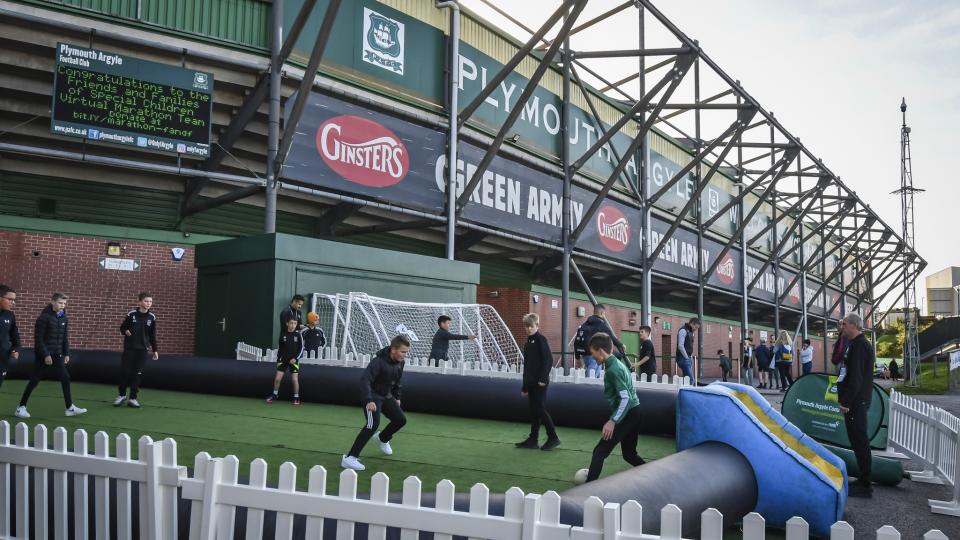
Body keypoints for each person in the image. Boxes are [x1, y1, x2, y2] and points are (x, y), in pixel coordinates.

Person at [342, 334, 410, 471]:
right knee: (372, 424)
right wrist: (369, 400)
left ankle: (382, 438)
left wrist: (397, 397)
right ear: (393, 349)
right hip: (372, 397)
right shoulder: (378, 362)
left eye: (406, 352)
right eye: (403, 352)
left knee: (400, 420)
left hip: (386, 395)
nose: (405, 355)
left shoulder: (400, 363)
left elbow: (397, 382)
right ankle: (350, 458)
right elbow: (365, 381)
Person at [583, 332, 646, 482]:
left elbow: (626, 398)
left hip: (628, 413)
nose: (592, 357)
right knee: (629, 455)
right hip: (635, 411)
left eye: (592, 353)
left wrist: (613, 421)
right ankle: (653, 474)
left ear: (600, 351)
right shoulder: (615, 362)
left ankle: (587, 487)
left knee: (599, 451)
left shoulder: (613, 370)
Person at [16, 293, 86, 418]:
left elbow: (65, 337)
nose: (63, 306)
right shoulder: (43, 318)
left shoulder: (63, 317)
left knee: (65, 377)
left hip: (57, 354)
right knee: (35, 380)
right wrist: (46, 355)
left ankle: (69, 408)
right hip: (43, 355)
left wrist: (66, 353)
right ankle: (21, 407)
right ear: (52, 302)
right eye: (60, 303)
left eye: (64, 304)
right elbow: (38, 339)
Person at [837, 313, 875, 498]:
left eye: (843, 324)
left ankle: (866, 483)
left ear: (853, 325)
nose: (841, 327)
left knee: (860, 440)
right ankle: (863, 479)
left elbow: (856, 378)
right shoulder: (854, 344)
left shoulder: (860, 346)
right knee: (856, 439)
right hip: (856, 400)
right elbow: (837, 360)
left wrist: (846, 401)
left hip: (856, 401)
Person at [515, 313, 560, 451]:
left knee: (540, 409)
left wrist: (542, 379)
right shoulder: (528, 343)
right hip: (531, 383)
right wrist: (525, 386)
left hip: (540, 383)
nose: (528, 329)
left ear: (537, 326)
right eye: (526, 326)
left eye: (531, 326)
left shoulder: (541, 339)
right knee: (534, 411)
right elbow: (528, 366)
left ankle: (553, 437)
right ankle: (533, 440)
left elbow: (548, 361)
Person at [114, 292, 159, 408]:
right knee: (124, 372)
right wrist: (126, 331)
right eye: (146, 301)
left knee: (137, 374)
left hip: (142, 350)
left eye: (150, 301)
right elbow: (122, 327)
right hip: (129, 349)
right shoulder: (131, 315)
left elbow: (152, 335)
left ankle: (133, 398)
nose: (148, 303)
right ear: (139, 302)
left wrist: (155, 350)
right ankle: (121, 395)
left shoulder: (152, 317)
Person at [574, 304, 625, 378]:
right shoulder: (600, 324)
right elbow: (611, 337)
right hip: (594, 353)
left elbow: (577, 341)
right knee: (592, 376)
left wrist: (577, 357)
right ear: (602, 313)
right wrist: (621, 344)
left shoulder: (584, 324)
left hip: (583, 354)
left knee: (590, 373)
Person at [266, 317, 304, 405]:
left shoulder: (298, 335)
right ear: (287, 324)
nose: (293, 325)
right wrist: (279, 359)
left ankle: (296, 397)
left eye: (295, 323)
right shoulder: (283, 334)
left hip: (294, 361)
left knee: (294, 379)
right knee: (277, 379)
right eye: (291, 323)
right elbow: (280, 348)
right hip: (283, 360)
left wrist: (295, 358)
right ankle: (275, 395)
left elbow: (301, 348)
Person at [0, 285, 21, 392]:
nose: (13, 303)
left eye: (14, 300)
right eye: (10, 299)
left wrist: (16, 349)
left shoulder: (10, 315)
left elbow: (15, 335)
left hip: (3, 361)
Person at [675, 318, 699, 383]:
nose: (696, 329)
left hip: (686, 357)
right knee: (691, 380)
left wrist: (689, 356)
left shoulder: (690, 332)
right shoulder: (683, 330)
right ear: (692, 323)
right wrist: (687, 357)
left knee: (687, 380)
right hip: (684, 358)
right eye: (696, 327)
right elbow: (680, 346)